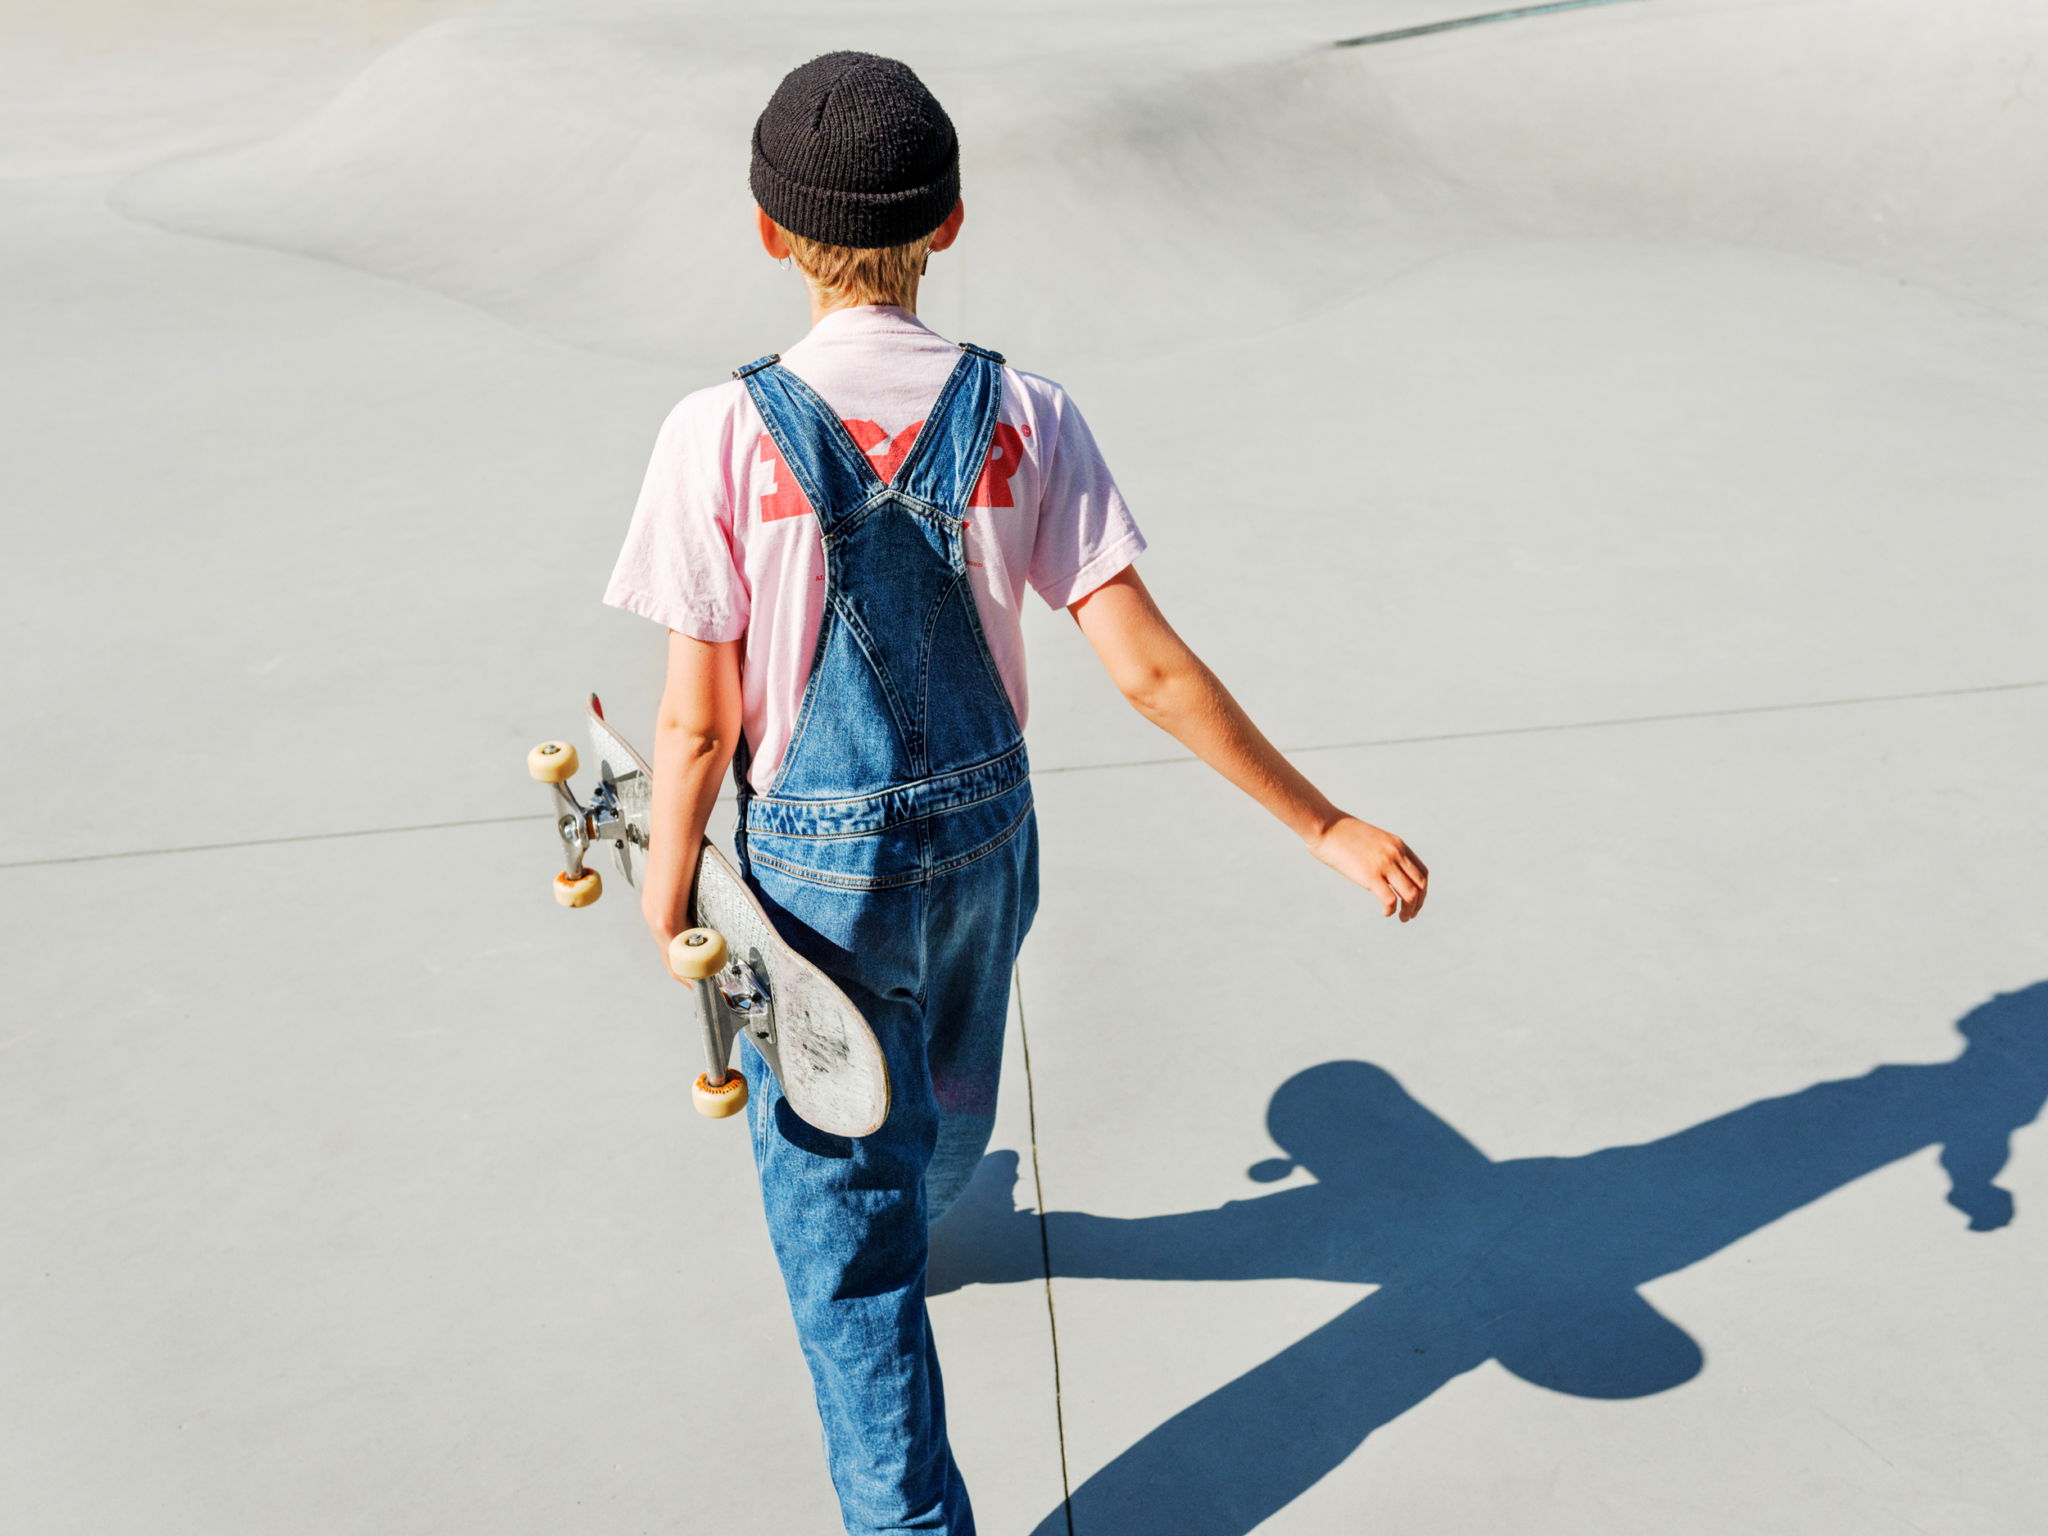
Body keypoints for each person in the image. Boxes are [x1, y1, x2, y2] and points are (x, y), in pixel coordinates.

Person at [602, 49, 1430, 1536]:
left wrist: (668, 891)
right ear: (954, 222)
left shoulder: (714, 435)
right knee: (952, 1086)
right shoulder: (1027, 414)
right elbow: (1152, 669)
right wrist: (1326, 823)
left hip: (813, 876)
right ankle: (918, 1184)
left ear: (768, 232)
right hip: (989, 846)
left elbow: (694, 725)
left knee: (843, 1247)